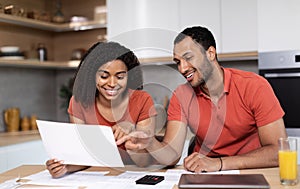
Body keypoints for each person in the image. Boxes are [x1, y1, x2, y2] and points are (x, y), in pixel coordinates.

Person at [121, 26, 287, 173]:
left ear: (210, 53)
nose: (182, 68)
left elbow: (278, 152)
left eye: (188, 58)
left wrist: (220, 163)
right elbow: (171, 155)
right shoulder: (181, 96)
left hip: (252, 172)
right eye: (178, 62)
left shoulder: (254, 86)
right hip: (205, 174)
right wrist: (149, 142)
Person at [46, 41, 157, 178]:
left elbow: (144, 162)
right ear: (92, 75)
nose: (112, 84)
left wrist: (132, 139)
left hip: (132, 177)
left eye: (120, 77)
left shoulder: (142, 100)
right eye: (104, 76)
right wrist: (65, 167)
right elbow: (84, 155)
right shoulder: (78, 102)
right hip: (96, 179)